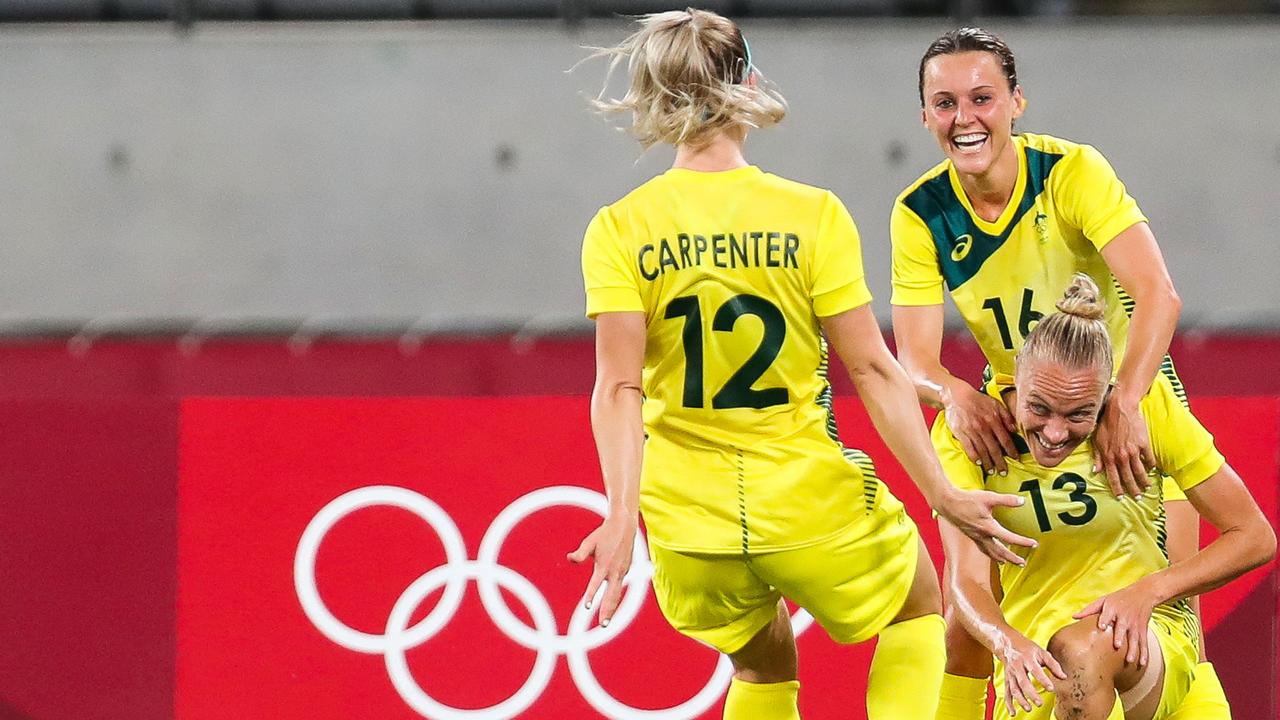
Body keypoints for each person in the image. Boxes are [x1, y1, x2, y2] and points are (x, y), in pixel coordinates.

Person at [567, 10, 1034, 720]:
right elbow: (876, 372)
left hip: (691, 524)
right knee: (916, 606)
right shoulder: (811, 215)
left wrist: (621, 518)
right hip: (808, 501)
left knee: (760, 660)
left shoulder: (619, 227)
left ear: (657, 95)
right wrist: (941, 492)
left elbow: (619, 387)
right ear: (749, 83)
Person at [888, 27, 1232, 719]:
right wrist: (954, 395)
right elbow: (913, 360)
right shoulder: (921, 212)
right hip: (1022, 415)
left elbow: (1158, 293)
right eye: (945, 103)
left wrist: (1125, 404)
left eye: (982, 98)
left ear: (1016, 101)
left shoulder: (1071, 172)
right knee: (969, 621)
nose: (965, 118)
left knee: (1164, 613)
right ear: (924, 116)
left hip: (1122, 407)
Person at [935, 274, 1275, 720]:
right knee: (968, 626)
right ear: (1014, 374)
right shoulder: (970, 435)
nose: (1055, 433)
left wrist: (1145, 594)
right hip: (1034, 670)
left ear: (1106, 396)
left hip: (1146, 649)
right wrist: (1006, 642)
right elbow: (967, 585)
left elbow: (1254, 536)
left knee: (1083, 650)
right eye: (1038, 408)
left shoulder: (1143, 413)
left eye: (1079, 414)